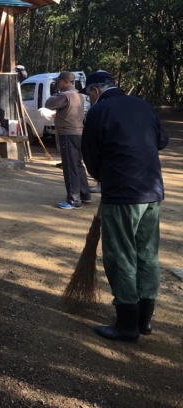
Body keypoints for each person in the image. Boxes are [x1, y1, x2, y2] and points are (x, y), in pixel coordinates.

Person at [82, 70, 169, 342]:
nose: (89, 99)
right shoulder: (143, 105)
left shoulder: (98, 111)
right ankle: (144, 320)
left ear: (95, 91)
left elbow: (90, 155)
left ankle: (127, 324)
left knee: (120, 255)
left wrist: (103, 177)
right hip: (152, 190)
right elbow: (162, 141)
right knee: (147, 253)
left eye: (89, 95)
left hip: (122, 193)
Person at [45, 71, 91, 209]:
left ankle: (74, 199)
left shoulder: (65, 95)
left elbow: (48, 103)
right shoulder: (79, 95)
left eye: (59, 81)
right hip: (78, 133)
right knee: (77, 164)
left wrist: (57, 94)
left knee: (70, 166)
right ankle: (84, 194)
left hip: (67, 134)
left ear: (65, 82)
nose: (57, 84)